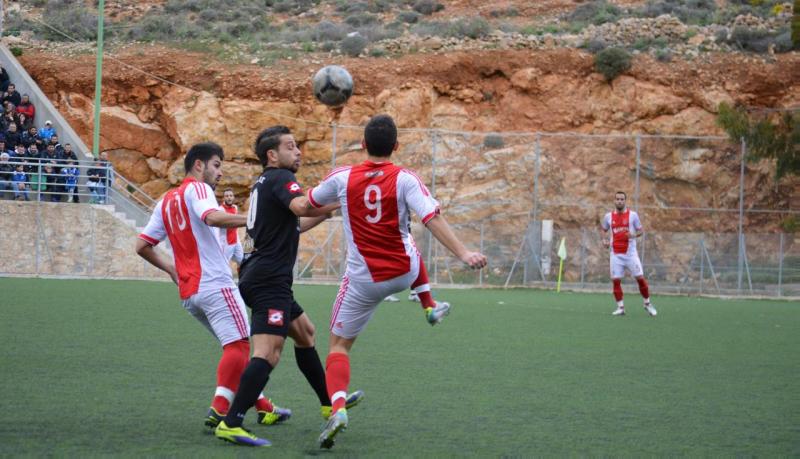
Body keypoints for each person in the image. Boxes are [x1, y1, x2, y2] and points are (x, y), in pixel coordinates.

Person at [307, 114, 487, 449]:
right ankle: (428, 305)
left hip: (363, 280)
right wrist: (463, 253)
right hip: (403, 274)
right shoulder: (406, 178)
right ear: (396, 146)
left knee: (338, 346)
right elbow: (431, 216)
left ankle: (338, 408)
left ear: (363, 144)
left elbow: (307, 203)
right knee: (408, 240)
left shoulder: (342, 177)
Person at [214, 126, 363, 447]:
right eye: (291, 147)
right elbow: (301, 207)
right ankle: (231, 422)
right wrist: (338, 196)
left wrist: (332, 209)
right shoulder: (281, 178)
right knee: (268, 352)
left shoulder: (264, 183)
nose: (298, 152)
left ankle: (328, 404)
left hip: (262, 276)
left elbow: (297, 223)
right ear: (272, 155)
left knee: (305, 333)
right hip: (269, 279)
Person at [135, 142, 291, 438]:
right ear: (199, 165)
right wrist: (256, 219)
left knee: (235, 347)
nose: (220, 173)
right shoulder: (199, 189)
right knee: (240, 346)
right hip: (215, 284)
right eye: (217, 165)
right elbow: (212, 217)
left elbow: (142, 245)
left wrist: (172, 270)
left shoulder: (166, 200)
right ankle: (220, 410)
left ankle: (263, 407)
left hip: (190, 293)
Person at [600, 191, 657, 317]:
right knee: (616, 281)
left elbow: (640, 231)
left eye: (622, 199)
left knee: (640, 278)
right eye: (617, 199)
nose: (620, 201)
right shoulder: (608, 216)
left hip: (630, 254)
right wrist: (604, 240)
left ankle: (647, 304)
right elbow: (603, 230)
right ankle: (620, 308)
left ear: (625, 201)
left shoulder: (633, 215)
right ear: (614, 201)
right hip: (615, 254)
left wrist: (633, 235)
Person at [219, 188, 244, 265]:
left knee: (242, 260)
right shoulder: (220, 210)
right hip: (226, 242)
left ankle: (242, 272)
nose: (229, 197)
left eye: (230, 195)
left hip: (236, 240)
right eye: (227, 196)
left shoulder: (235, 207)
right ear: (224, 198)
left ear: (233, 197)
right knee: (224, 264)